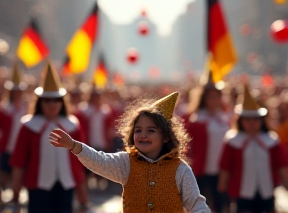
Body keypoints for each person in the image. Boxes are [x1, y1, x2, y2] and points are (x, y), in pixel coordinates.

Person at [50, 91, 210, 213]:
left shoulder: (180, 169)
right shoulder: (126, 162)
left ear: (166, 137)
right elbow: (100, 161)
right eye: (138, 130)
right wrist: (74, 146)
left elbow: (196, 204)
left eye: (151, 130)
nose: (143, 135)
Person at [9, 62, 85, 213]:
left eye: (56, 100)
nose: (52, 104)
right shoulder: (28, 126)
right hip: (38, 188)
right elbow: (19, 161)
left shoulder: (72, 125)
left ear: (62, 102)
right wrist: (15, 193)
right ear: (39, 102)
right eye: (47, 100)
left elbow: (79, 163)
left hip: (66, 188)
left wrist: (84, 197)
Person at [218, 83, 288, 213]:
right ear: (241, 121)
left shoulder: (271, 140)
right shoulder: (232, 141)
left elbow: (282, 166)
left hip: (267, 193)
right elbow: (225, 169)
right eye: (247, 119)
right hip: (241, 195)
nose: (252, 123)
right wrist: (223, 195)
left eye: (255, 119)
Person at [186, 71, 230, 212]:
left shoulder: (224, 118)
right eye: (211, 97)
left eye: (217, 97)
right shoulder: (197, 119)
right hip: (202, 169)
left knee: (220, 204)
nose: (215, 100)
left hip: (221, 169)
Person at [0, 62, 27, 202]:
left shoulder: (26, 108)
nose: (17, 94)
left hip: (20, 149)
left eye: (19, 91)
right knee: (3, 175)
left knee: (18, 177)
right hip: (6, 147)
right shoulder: (4, 109)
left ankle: (15, 200)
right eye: (15, 91)